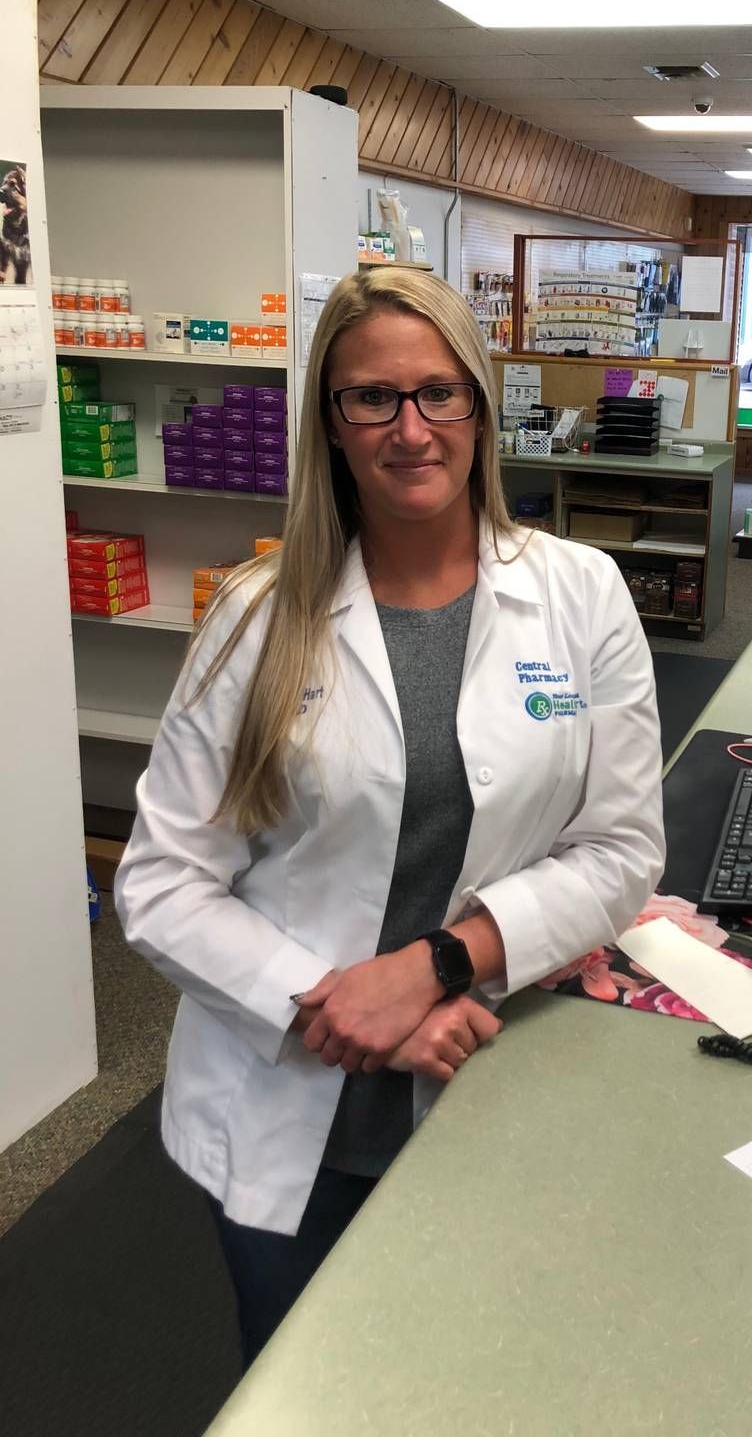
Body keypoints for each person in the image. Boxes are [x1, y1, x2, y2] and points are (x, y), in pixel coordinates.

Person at [114, 267, 665, 1366]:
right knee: (302, 1384)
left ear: (480, 406)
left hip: (484, 1068)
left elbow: (620, 851)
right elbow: (160, 882)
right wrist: (347, 1009)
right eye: (373, 397)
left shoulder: (581, 591)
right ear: (331, 419)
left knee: (476, 1378)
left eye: (438, 393)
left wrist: (437, 965)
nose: (410, 429)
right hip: (290, 1097)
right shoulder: (255, 617)